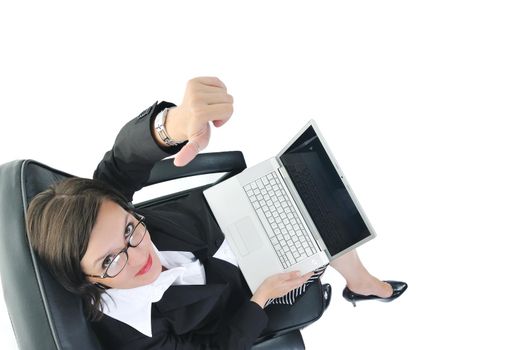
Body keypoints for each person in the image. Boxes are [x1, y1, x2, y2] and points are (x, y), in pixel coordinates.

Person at [26, 77, 407, 349]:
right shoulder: (136, 335)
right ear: (85, 279)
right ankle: (361, 283)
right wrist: (260, 300)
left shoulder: (103, 209)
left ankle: (358, 281)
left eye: (130, 230)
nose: (139, 255)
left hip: (226, 216)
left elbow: (122, 161)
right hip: (246, 292)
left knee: (307, 185)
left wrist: (172, 125)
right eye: (110, 261)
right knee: (323, 226)